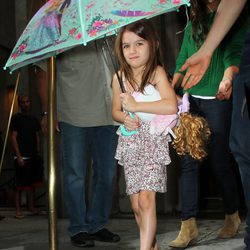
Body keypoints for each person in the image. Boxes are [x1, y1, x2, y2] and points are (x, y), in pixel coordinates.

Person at [112, 19, 211, 250]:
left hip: (153, 140)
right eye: (126, 46)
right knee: (136, 204)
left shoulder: (155, 73)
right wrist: (124, 116)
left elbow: (170, 106)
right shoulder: (119, 78)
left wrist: (136, 107)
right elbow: (115, 111)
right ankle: (152, 245)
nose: (132, 51)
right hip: (129, 142)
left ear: (152, 45)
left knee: (147, 200)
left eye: (139, 43)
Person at [168, 0, 249, 248]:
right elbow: (184, 57)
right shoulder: (195, 21)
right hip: (192, 101)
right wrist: (170, 90)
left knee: (219, 160)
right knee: (189, 162)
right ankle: (188, 225)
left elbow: (233, 52)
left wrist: (227, 78)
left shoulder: (236, 18)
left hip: (218, 101)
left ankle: (232, 214)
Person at [36, 40, 120, 247]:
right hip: (74, 114)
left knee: (108, 174)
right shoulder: (60, 36)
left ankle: (97, 224)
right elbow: (43, 73)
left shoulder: (108, 34)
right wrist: (48, 111)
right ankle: (79, 228)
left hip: (109, 115)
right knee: (75, 174)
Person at [10, 95, 43, 219]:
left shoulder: (34, 119)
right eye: (23, 102)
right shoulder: (16, 118)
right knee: (19, 185)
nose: (26, 104)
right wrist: (18, 156)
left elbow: (37, 136)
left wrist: (38, 151)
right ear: (20, 104)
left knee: (32, 183)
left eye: (27, 102)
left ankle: (31, 207)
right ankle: (18, 210)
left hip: (33, 155)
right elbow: (13, 137)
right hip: (21, 155)